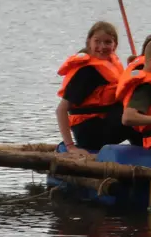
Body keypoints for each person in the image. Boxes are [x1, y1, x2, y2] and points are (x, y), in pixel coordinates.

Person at [56, 21, 135, 155]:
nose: (102, 47)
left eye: (108, 42)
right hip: (91, 133)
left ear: (115, 45)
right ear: (89, 42)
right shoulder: (87, 72)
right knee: (137, 116)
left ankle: (145, 148)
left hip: (104, 120)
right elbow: (61, 110)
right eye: (97, 41)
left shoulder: (109, 63)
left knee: (138, 106)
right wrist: (71, 147)